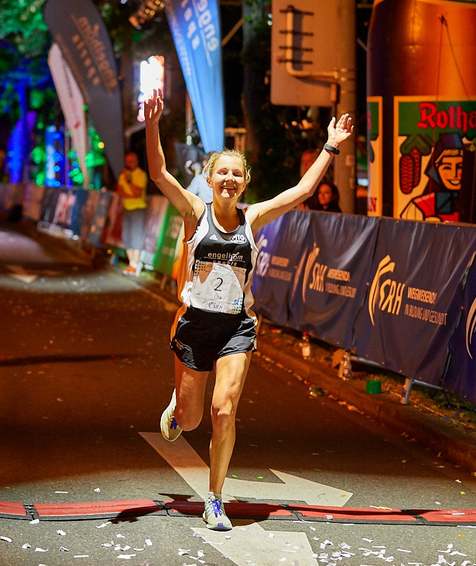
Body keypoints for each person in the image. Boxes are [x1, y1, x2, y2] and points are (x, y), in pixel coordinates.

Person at [144, 88, 353, 531]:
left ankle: (215, 499)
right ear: (208, 177)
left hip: (237, 328)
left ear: (244, 181)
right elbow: (159, 172)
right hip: (194, 326)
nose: (228, 180)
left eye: (236, 174)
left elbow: (302, 190)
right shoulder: (193, 212)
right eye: (221, 172)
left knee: (224, 412)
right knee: (192, 417)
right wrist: (152, 124)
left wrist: (330, 145)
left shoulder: (252, 217)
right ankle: (177, 408)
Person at [117, 151, 148, 276]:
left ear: (137, 162)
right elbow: (120, 191)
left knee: (136, 236)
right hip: (127, 208)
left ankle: (135, 264)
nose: (129, 164)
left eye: (132, 161)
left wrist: (129, 182)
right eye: (127, 161)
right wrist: (129, 193)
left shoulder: (141, 174)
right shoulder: (123, 175)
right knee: (126, 237)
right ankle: (132, 263)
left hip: (138, 209)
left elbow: (137, 193)